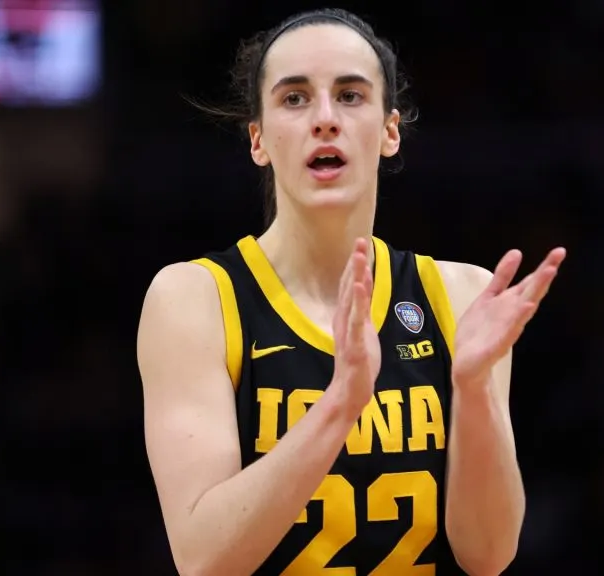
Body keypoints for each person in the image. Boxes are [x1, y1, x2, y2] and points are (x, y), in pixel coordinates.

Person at [137, 8, 566, 576]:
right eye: (294, 98)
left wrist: (474, 388)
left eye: (350, 96)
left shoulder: (462, 296)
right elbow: (204, 558)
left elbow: (487, 554)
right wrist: (341, 404)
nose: (324, 119)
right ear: (258, 139)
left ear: (390, 131)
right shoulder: (194, 300)